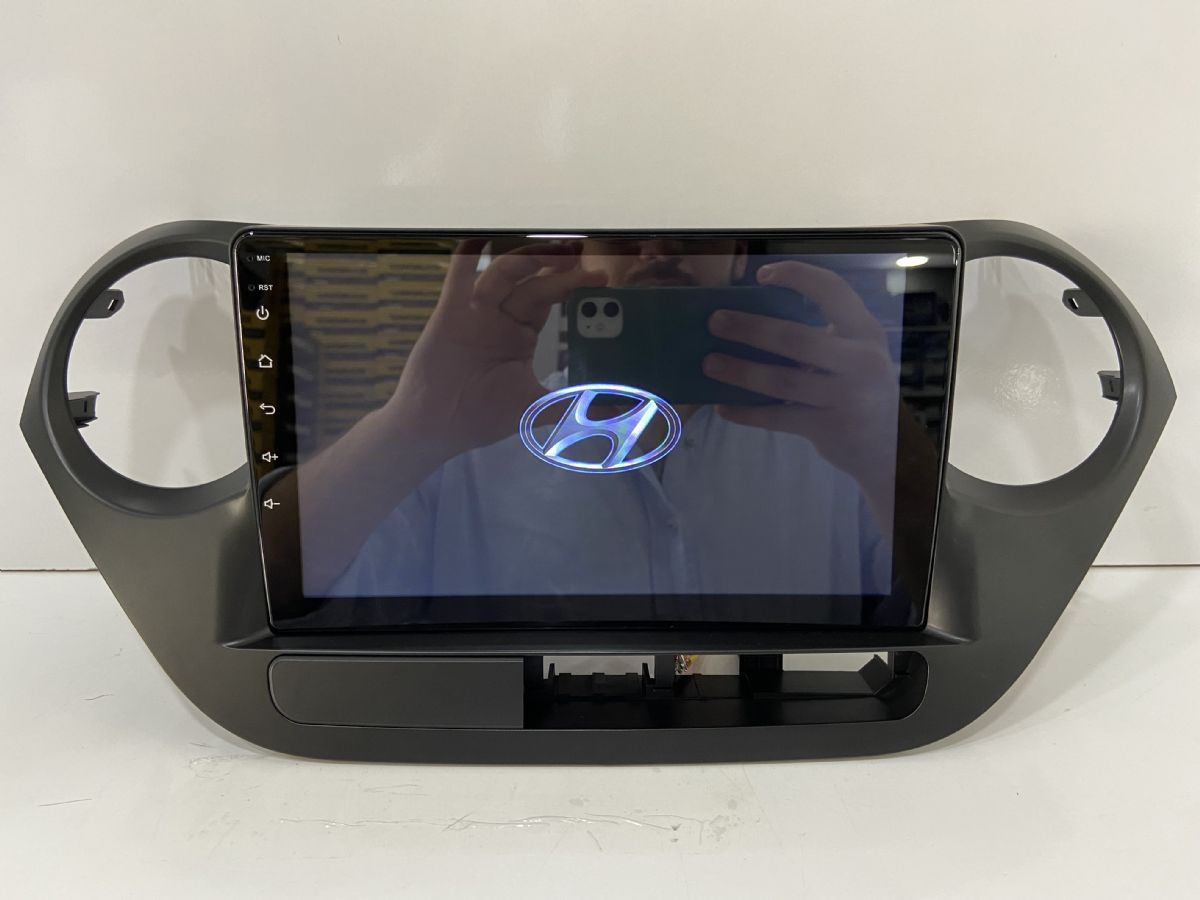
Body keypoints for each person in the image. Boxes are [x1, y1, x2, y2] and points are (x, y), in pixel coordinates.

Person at [266, 236, 935, 627]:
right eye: (621, 233)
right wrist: (409, 425)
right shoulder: (465, 434)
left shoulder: (835, 433)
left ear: (738, 257)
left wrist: (889, 454)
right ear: (579, 260)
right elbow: (261, 588)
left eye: (697, 233)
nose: (659, 250)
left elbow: (954, 605)